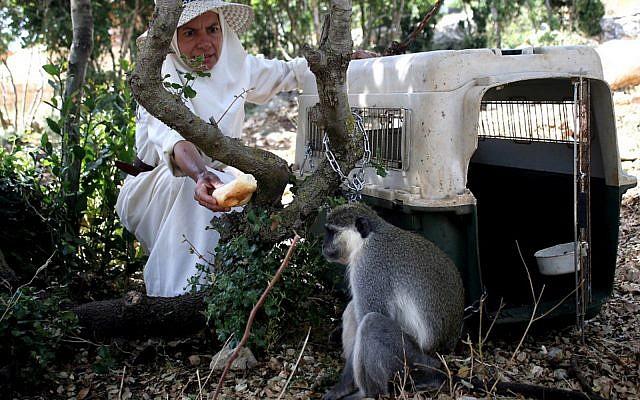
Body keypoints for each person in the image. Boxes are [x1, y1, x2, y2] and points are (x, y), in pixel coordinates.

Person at [116, 0, 310, 297]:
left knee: (247, 193)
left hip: (213, 178)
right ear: (173, 40)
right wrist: (200, 174)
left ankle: (231, 298)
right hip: (154, 187)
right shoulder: (159, 78)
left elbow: (290, 73)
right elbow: (174, 140)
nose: (205, 43)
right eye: (190, 33)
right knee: (189, 195)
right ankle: (176, 300)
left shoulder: (236, 65)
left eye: (212, 30)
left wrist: (349, 62)